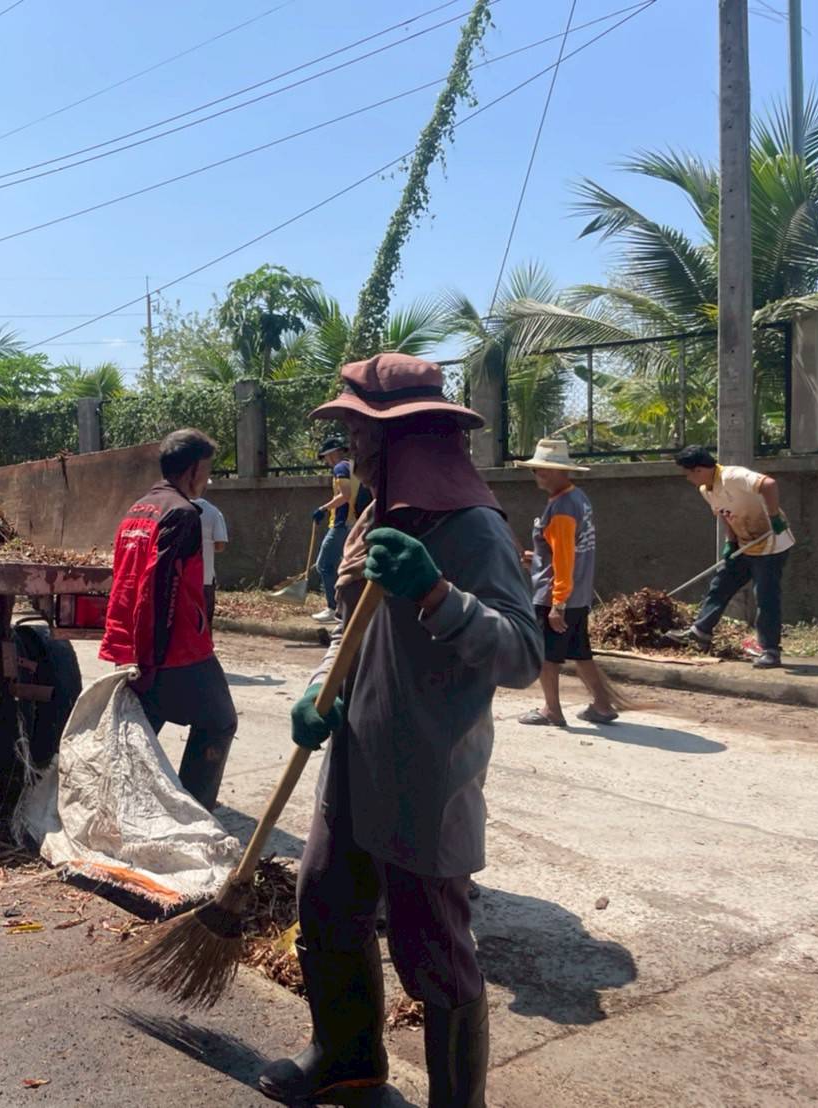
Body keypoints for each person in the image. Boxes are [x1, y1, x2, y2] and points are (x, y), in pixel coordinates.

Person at [259, 353, 541, 1108]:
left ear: (406, 436)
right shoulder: (371, 518)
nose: (349, 444)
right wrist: (319, 689)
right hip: (355, 755)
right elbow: (347, 632)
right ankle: (346, 1058)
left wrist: (437, 593)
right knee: (326, 903)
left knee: (431, 948)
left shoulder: (473, 528)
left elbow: (522, 653)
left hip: (428, 772)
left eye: (360, 429)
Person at [98, 429, 238, 810]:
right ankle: (193, 811)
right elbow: (159, 593)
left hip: (133, 643)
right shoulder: (183, 514)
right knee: (220, 721)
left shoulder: (137, 510)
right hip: (175, 650)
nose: (207, 480)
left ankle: (124, 807)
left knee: (143, 729)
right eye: (207, 470)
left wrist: (140, 656)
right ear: (192, 470)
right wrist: (152, 661)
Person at [514, 439, 620, 727]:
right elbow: (563, 550)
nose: (538, 474)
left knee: (546, 656)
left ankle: (552, 710)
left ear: (561, 471)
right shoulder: (577, 498)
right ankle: (602, 705)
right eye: (536, 469)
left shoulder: (562, 508)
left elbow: (564, 558)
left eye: (544, 469)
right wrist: (537, 559)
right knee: (579, 652)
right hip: (578, 594)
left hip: (555, 596)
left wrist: (557, 602)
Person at [662, 446, 794, 669]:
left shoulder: (733, 476)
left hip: (771, 545)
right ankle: (700, 633)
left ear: (699, 470)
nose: (687, 478)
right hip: (744, 546)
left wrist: (774, 517)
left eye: (688, 473)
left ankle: (770, 651)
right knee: (720, 585)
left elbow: (769, 484)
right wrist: (730, 542)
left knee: (765, 597)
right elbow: (725, 514)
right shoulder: (707, 489)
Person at [310, 434, 355, 624]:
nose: (326, 461)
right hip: (355, 523)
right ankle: (345, 608)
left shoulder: (340, 468)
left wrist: (323, 508)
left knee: (324, 564)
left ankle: (333, 608)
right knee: (347, 567)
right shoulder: (353, 466)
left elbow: (345, 495)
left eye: (325, 457)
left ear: (332, 454)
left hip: (341, 524)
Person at [192, 494, 228, 627]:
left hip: (180, 577)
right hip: (205, 576)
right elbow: (220, 546)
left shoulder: (176, 508)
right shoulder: (213, 512)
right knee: (205, 621)